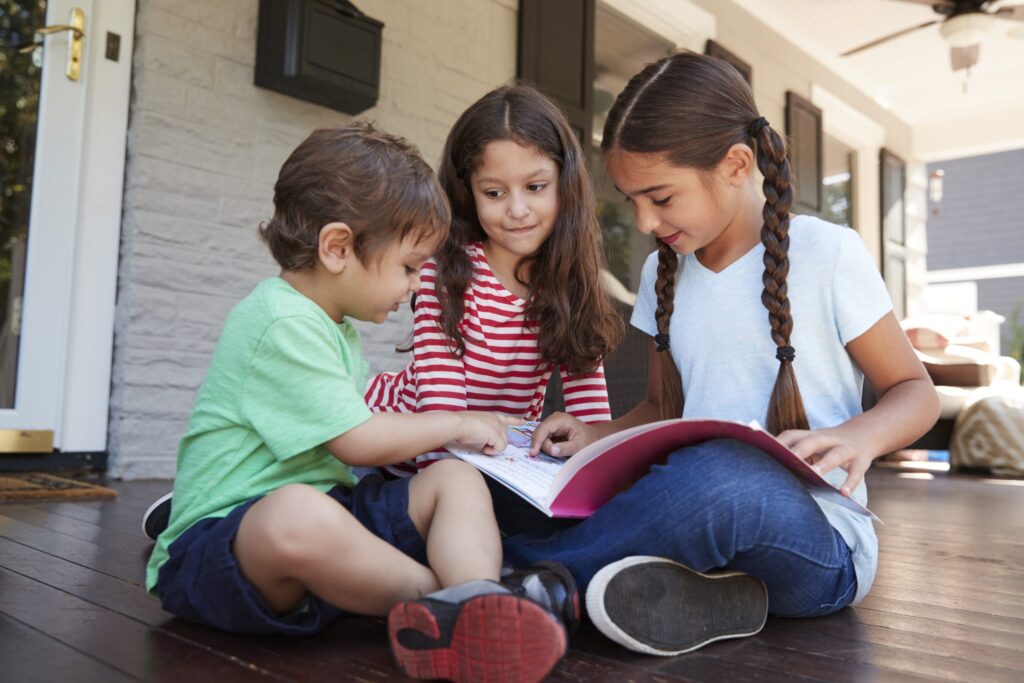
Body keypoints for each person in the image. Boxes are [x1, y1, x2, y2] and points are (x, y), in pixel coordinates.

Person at [497, 51, 941, 656]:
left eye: (660, 197)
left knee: (725, 476)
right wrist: (594, 434)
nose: (645, 221)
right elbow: (660, 407)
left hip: (818, 541)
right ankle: (710, 596)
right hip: (692, 509)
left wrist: (861, 437)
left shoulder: (827, 253)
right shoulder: (663, 273)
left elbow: (915, 391)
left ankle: (509, 585)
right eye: (631, 202)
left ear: (736, 165)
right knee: (515, 481)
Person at [144, 124, 577, 683]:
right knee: (295, 512)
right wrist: (456, 421)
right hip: (221, 548)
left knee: (453, 480)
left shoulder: (333, 325)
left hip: (328, 513)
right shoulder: (279, 320)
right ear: (337, 248)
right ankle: (451, 607)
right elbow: (355, 440)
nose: (417, 285)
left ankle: (479, 594)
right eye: (408, 267)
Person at [363, 83, 624, 477]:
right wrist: (450, 489)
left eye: (535, 187)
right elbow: (441, 412)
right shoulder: (448, 271)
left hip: (493, 461)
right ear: (469, 193)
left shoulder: (569, 283)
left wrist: (597, 483)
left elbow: (588, 420)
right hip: (394, 453)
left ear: (564, 183)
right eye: (495, 192)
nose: (517, 209)